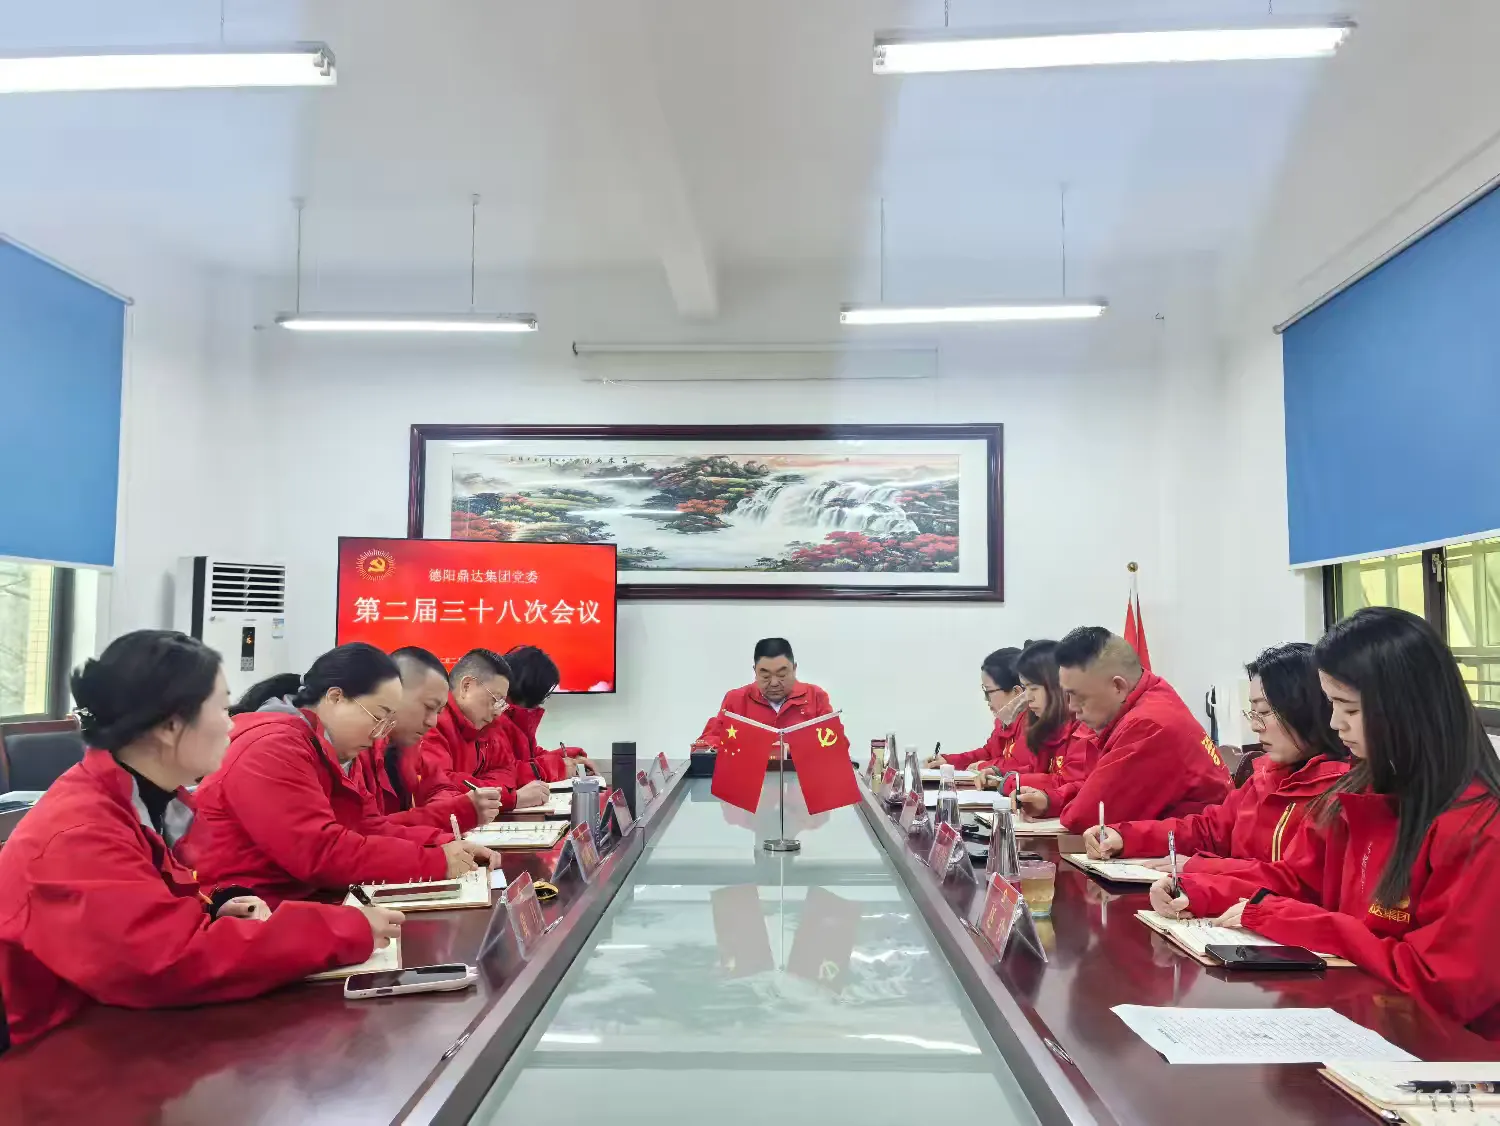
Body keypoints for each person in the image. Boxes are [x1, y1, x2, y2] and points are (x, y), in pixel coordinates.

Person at [0, 631, 398, 1048]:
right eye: (222, 709)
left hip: (105, 1025)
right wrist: (341, 930)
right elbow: (168, 962)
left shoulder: (141, 799)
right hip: (47, 1049)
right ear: (172, 724)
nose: (232, 723)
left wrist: (216, 903)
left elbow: (147, 907)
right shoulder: (82, 831)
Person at [1151, 608, 1500, 1038]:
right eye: (1332, 705)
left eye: (1349, 708)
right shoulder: (1360, 791)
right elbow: (1299, 882)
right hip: (1357, 1018)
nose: (1335, 724)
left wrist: (1292, 920)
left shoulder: (1477, 826)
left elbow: (1439, 985)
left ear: (1409, 708)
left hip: (1441, 1049)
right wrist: (1200, 892)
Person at [185, 643, 497, 906]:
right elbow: (320, 853)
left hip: (301, 903)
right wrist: (435, 862)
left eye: (388, 723)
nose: (379, 735)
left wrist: (444, 845)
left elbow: (368, 826)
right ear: (335, 697)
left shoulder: (330, 750)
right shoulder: (271, 747)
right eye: (377, 717)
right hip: (252, 911)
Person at [1085, 642, 1349, 866]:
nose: (1255, 725)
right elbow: (1209, 830)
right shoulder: (1265, 775)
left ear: (1306, 709)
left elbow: (1290, 883)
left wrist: (1202, 869)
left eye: (1264, 712)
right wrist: (1126, 837)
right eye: (1252, 712)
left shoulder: (1339, 793)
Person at [1032, 627, 1228, 833]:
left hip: (1191, 847)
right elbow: (1102, 786)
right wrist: (1051, 800)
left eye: (1079, 696)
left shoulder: (1148, 726)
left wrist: (1063, 803)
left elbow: (1086, 818)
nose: (1072, 707)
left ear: (1118, 686)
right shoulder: (1152, 695)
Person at [354, 647, 503, 830]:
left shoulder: (410, 744)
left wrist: (454, 810)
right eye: (429, 707)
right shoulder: (354, 749)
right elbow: (366, 831)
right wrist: (455, 813)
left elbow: (438, 787)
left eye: (438, 711)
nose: (432, 722)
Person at [405, 648, 550, 811]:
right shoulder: (431, 724)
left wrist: (480, 788)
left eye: (501, 704)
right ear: (466, 686)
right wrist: (509, 798)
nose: (497, 712)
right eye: (495, 700)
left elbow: (506, 772)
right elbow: (440, 787)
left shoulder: (486, 725)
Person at [986, 639, 1100, 802]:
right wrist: (1001, 774)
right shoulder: (1046, 724)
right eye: (1026, 688)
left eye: (1034, 688)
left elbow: (1071, 784)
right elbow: (1036, 770)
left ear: (1058, 686)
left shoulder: (1084, 729)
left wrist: (1014, 782)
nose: (1028, 697)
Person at [693, 638, 834, 750]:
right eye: (765, 676)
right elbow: (707, 742)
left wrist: (793, 749)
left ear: (794, 669)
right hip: (748, 774)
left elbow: (835, 743)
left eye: (782, 675)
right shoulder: (736, 699)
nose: (774, 683)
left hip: (802, 776)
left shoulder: (815, 696)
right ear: (755, 671)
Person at [495, 645, 594, 783]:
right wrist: (559, 767)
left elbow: (529, 757)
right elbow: (503, 773)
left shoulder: (515, 716)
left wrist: (567, 757)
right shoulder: (493, 719)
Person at [932, 647, 1036, 774]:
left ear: (1017, 692)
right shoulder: (1004, 720)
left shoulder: (1033, 722)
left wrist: (983, 766)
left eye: (988, 691)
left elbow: (1021, 764)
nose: (986, 699)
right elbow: (988, 753)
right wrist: (948, 761)